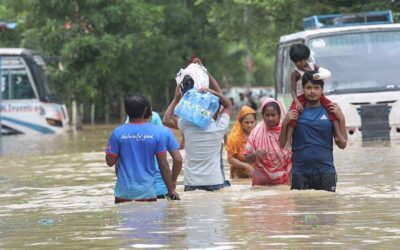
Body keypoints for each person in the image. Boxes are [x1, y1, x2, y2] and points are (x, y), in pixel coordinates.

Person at [279, 70, 348, 192]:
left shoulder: (331, 110)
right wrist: (285, 123)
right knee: (302, 210)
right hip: (300, 172)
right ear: (303, 89)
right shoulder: (295, 111)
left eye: (316, 88)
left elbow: (342, 144)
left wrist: (341, 118)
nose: (312, 91)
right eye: (308, 87)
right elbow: (282, 144)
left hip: (326, 172)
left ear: (322, 90)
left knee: (327, 209)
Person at [105, 93, 180, 203]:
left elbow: (110, 162)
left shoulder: (117, 133)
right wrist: (171, 189)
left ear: (126, 109)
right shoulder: (156, 134)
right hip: (148, 193)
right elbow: (163, 165)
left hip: (123, 194)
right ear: (145, 110)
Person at [163, 84, 232, 192]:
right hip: (214, 182)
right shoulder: (219, 128)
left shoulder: (186, 125)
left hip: (191, 183)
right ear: (216, 113)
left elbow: (167, 119)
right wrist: (211, 91)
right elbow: (228, 105)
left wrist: (176, 99)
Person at [285, 43, 344, 146]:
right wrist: (297, 102)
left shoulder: (314, 66)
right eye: (296, 61)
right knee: (292, 114)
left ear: (306, 58)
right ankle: (288, 140)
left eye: (301, 60)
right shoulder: (295, 73)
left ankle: (338, 134)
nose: (298, 63)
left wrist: (317, 76)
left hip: (318, 96)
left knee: (332, 108)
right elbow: (293, 91)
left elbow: (326, 74)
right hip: (301, 97)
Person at [244, 98, 292, 186]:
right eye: (267, 115)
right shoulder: (256, 132)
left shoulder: (287, 129)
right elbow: (246, 158)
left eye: (273, 115)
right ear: (262, 115)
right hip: (262, 179)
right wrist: (255, 154)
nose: (270, 118)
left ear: (279, 115)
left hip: (284, 179)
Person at [148, 111, 183, 199]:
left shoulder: (122, 133)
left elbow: (115, 163)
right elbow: (177, 160)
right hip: (160, 188)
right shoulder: (163, 132)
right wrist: (172, 183)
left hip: (129, 192)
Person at [226, 105, 257, 179]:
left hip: (255, 173)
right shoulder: (234, 138)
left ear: (255, 122)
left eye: (252, 122)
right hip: (238, 175)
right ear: (241, 123)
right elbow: (230, 159)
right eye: (246, 123)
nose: (250, 125)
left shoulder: (259, 135)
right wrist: (246, 166)